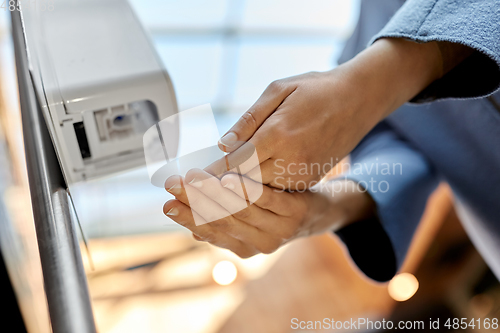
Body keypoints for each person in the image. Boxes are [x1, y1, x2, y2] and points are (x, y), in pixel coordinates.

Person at [163, 0, 500, 282]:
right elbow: (408, 154)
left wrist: (374, 83)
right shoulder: (359, 46)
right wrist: (322, 209)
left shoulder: (360, 65)